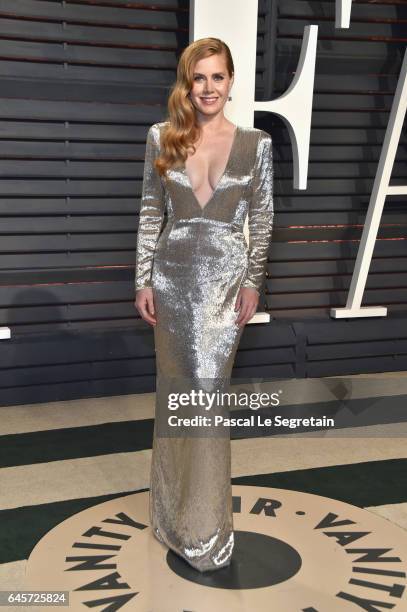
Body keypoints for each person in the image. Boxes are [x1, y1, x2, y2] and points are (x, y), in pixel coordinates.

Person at [134, 37, 274, 572]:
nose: (209, 88)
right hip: (171, 282)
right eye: (200, 78)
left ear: (232, 82)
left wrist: (253, 281)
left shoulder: (254, 143)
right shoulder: (162, 137)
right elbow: (151, 212)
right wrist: (142, 279)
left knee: (207, 399)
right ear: (186, 84)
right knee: (176, 395)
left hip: (223, 289)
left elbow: (260, 219)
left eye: (218, 77)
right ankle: (172, 516)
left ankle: (207, 532)